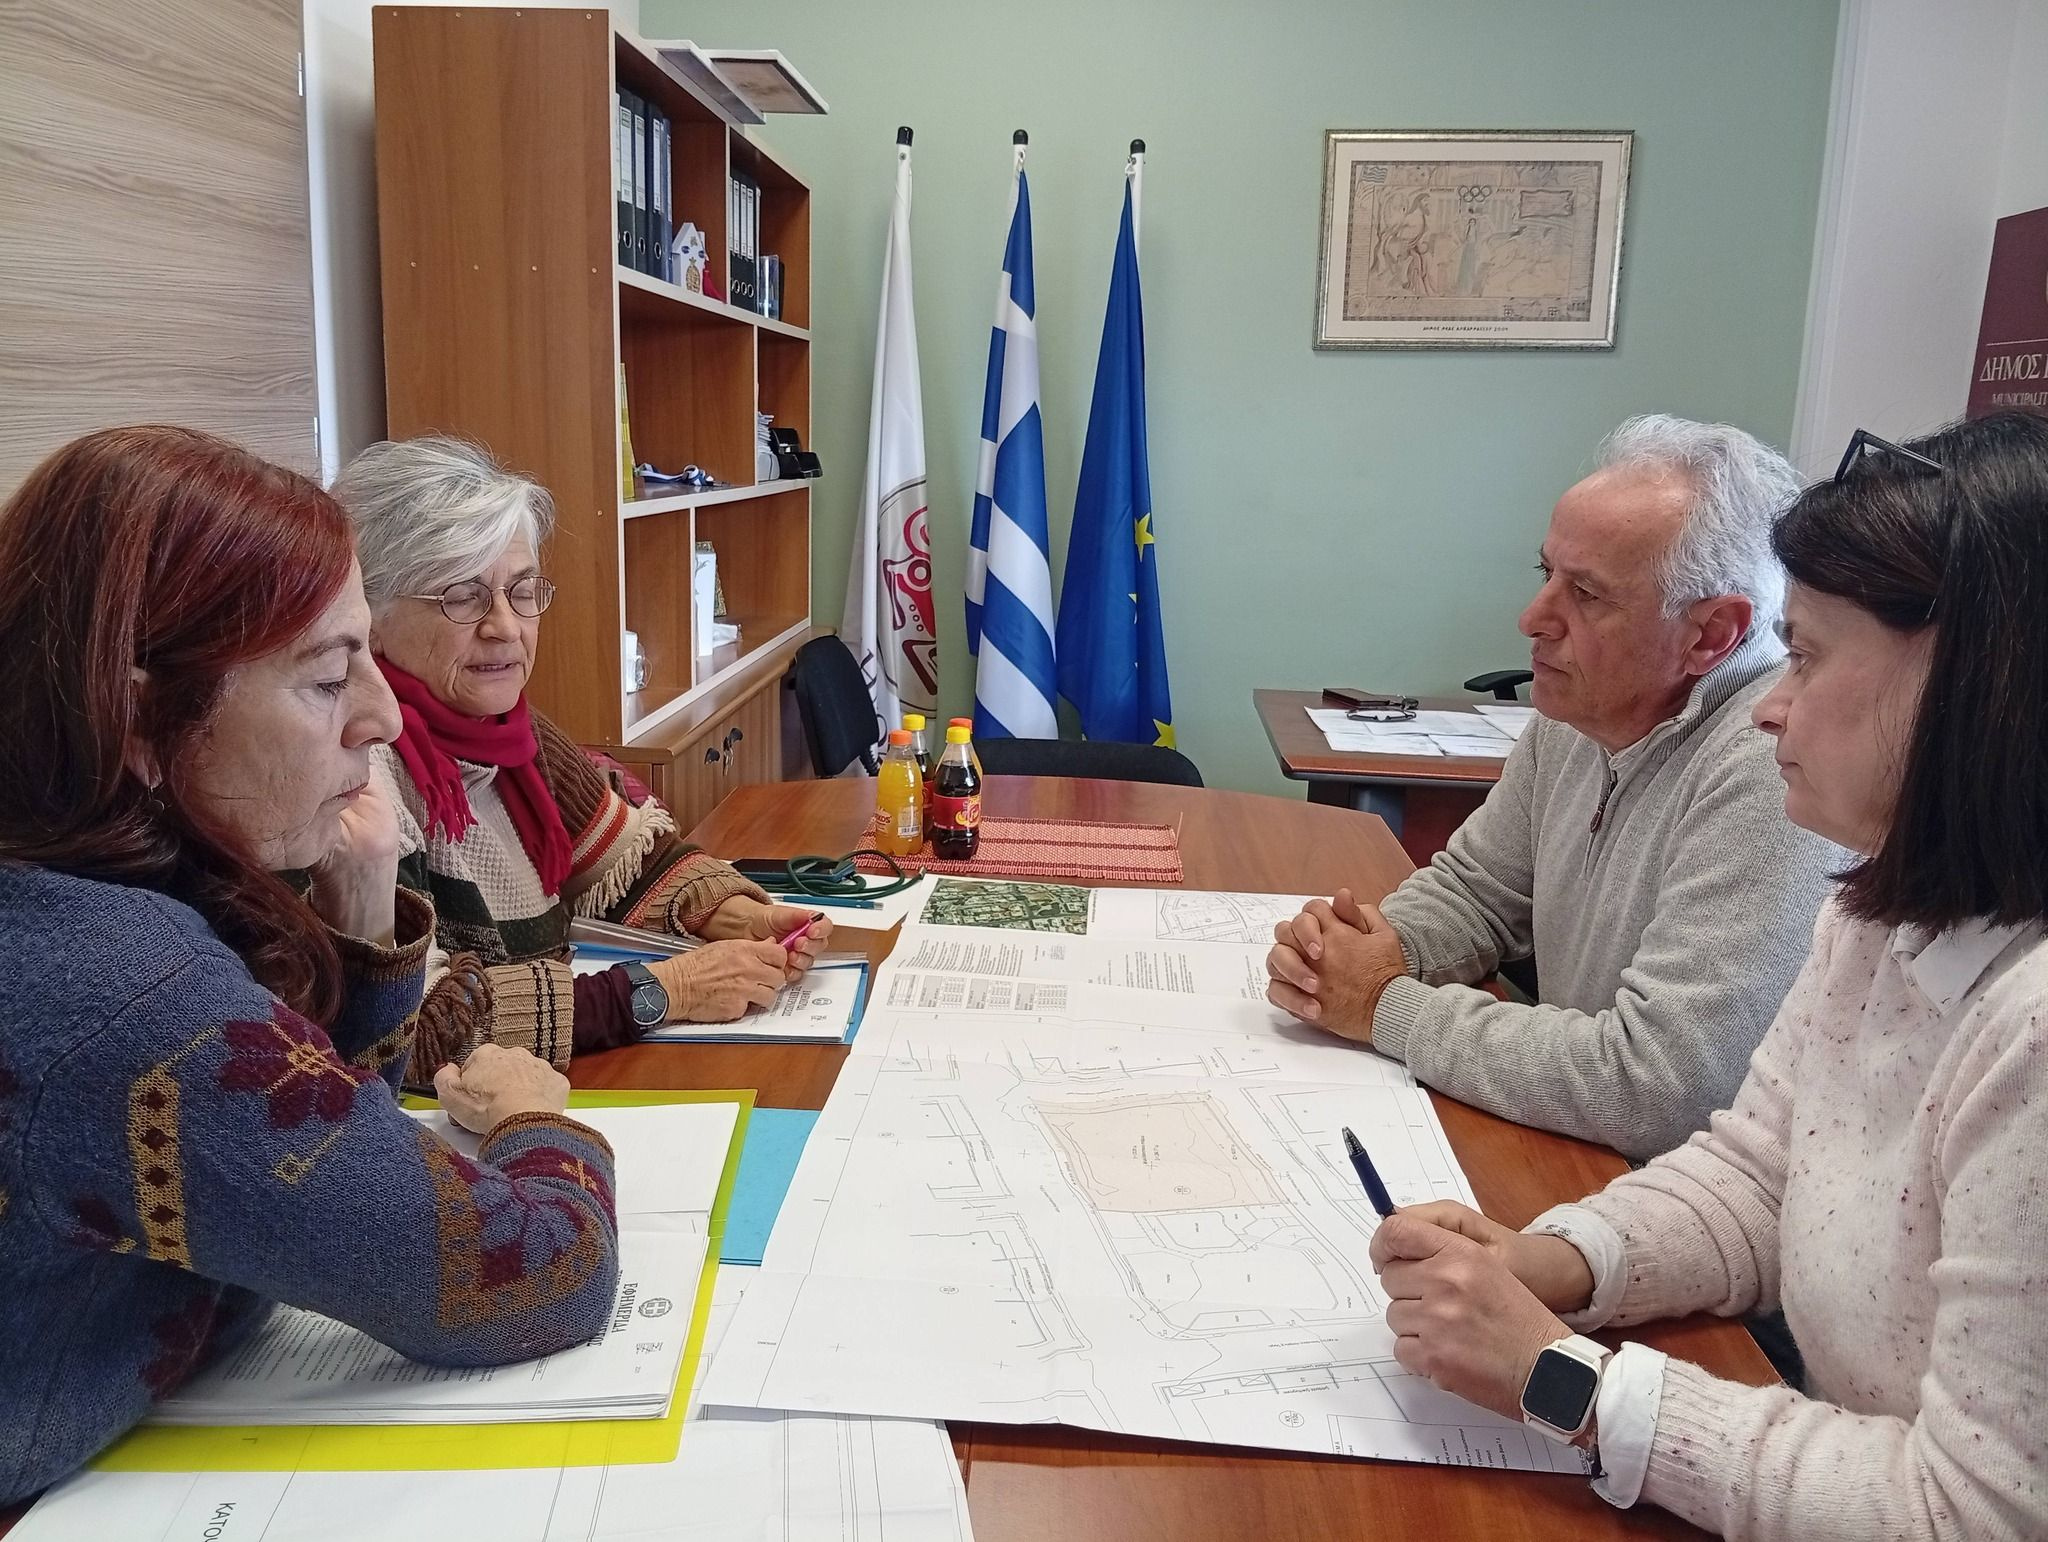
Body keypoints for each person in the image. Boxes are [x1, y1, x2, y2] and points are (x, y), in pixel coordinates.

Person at [1368, 413, 2048, 1539]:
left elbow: (1976, 1513)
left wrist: (1564, 1382)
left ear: (1975, 689)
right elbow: (1756, 1178)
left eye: (1808, 658)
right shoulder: (1878, 915)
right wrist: (1556, 1259)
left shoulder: (2030, 1031)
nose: (1770, 702)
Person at [0, 427, 621, 1505]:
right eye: (331, 678)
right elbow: (537, 1274)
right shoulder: (127, 995)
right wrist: (539, 1121)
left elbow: (319, 1148)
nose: (382, 716)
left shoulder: (89, 871)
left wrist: (363, 906)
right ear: (141, 717)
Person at [1268, 416, 1842, 1159]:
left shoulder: (1774, 765)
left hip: (1669, 1184)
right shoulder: (1579, 709)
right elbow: (1477, 891)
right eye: (1546, 576)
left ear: (1711, 635)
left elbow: (1663, 1085)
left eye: (1587, 594)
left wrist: (1383, 1003)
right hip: (1582, 1150)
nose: (1533, 619)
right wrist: (1359, 954)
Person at [331, 437, 831, 1079]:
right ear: (369, 615)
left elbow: (637, 864)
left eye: (522, 591)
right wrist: (669, 990)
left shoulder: (513, 734)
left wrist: (737, 915)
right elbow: (416, 1029)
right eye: (462, 596)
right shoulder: (356, 773)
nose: (505, 627)